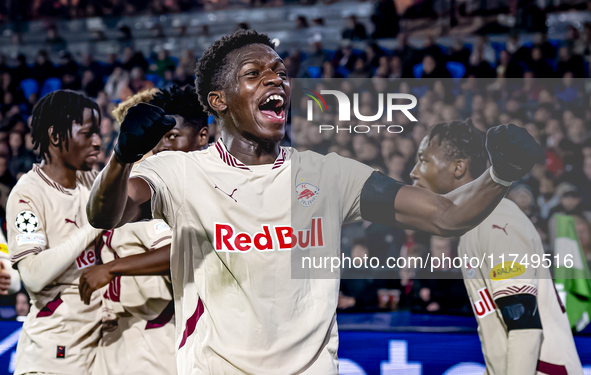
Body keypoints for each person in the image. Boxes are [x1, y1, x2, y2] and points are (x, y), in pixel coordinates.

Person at [86, 29, 542, 374]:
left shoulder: (329, 175)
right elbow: (106, 214)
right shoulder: (179, 172)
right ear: (218, 100)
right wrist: (121, 159)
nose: (276, 80)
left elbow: (447, 216)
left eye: (280, 72)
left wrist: (498, 174)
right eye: (255, 73)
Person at [410, 120, 583, 374]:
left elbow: (525, 329)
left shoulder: (496, 221)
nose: (414, 171)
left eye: (423, 160)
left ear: (458, 167)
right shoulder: (472, 225)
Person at [82, 86, 209, 375]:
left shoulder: (212, 183)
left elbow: (185, 249)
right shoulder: (146, 180)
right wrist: (123, 156)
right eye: (157, 138)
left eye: (172, 136)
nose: (162, 145)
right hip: (121, 336)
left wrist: (114, 268)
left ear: (203, 135)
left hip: (164, 334)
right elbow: (105, 214)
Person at [6, 90, 104, 375]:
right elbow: (33, 276)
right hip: (52, 354)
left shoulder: (89, 180)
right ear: (56, 135)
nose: (97, 142)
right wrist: (94, 225)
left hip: (96, 349)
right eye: (87, 134)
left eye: (97, 133)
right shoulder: (27, 194)